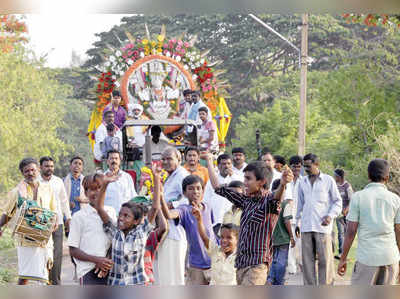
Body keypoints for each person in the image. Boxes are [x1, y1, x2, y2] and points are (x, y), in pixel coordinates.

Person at [203, 152, 293, 285]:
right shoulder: (246, 200)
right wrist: (209, 162)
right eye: (244, 178)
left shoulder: (268, 201)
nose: (244, 182)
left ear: (261, 182)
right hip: (241, 263)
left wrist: (283, 184)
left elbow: (277, 199)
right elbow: (217, 188)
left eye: (248, 179)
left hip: (257, 264)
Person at [95, 165, 162, 285]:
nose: (121, 218)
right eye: (120, 214)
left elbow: (155, 207)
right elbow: (99, 208)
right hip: (116, 283)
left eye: (126, 216)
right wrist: (105, 184)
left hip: (137, 283)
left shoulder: (141, 232)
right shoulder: (114, 231)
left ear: (136, 221)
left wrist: (156, 178)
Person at [337, 159, 400, 285]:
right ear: (387, 177)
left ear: (368, 175)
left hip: (367, 259)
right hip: (390, 257)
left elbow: (351, 232)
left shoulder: (358, 197)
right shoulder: (395, 199)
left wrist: (343, 259)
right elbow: (399, 232)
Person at [0, 158, 58, 285]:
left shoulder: (48, 188)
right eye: (27, 171)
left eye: (33, 170)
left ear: (38, 170)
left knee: (46, 268)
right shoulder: (17, 192)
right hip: (26, 239)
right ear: (22, 173)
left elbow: (54, 211)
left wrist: (54, 223)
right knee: (25, 274)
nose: (30, 173)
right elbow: (8, 213)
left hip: (44, 238)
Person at [295, 153, 342, 285]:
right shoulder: (302, 182)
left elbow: (338, 202)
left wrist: (330, 216)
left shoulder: (328, 180)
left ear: (317, 164)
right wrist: (297, 223)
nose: (306, 169)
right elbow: (299, 205)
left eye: (309, 166)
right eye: (304, 166)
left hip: (323, 227)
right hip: (306, 227)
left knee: (325, 261)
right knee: (307, 263)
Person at [160, 175, 216, 285]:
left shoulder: (208, 207)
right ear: (184, 193)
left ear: (203, 191)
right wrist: (161, 197)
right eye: (191, 188)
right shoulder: (184, 210)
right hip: (196, 265)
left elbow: (212, 231)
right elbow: (169, 215)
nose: (195, 192)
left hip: (215, 261)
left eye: (198, 188)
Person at [67, 174, 117, 285]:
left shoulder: (111, 212)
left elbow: (115, 240)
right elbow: (73, 250)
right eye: (92, 189)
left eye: (100, 188)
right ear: (86, 193)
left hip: (109, 269)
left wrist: (106, 261)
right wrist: (97, 260)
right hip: (87, 271)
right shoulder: (79, 216)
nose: (97, 192)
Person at [155, 147, 189, 285]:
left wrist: (171, 205)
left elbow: (189, 200)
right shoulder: (170, 176)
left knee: (174, 276)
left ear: (179, 159)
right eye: (163, 159)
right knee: (165, 275)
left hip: (175, 232)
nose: (165, 162)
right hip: (166, 232)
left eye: (169, 158)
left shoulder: (182, 175)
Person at [39, 156, 71, 285]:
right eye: (46, 166)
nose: (49, 168)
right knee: (42, 253)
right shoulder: (36, 181)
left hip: (58, 224)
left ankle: (56, 282)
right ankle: (44, 281)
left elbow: (64, 201)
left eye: (51, 166)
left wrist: (68, 217)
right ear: (41, 167)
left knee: (57, 254)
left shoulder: (58, 181)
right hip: (41, 224)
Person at [193, 208, 239, 285]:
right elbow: (204, 238)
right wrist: (199, 220)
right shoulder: (215, 250)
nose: (224, 240)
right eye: (222, 237)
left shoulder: (240, 257)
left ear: (237, 240)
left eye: (229, 237)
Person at [203, 153, 243, 235]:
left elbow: (243, 192)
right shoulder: (212, 181)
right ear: (218, 166)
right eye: (224, 164)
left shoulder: (238, 178)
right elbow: (206, 200)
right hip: (217, 220)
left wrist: (232, 175)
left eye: (229, 163)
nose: (226, 166)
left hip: (234, 221)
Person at [267, 179, 295, 285]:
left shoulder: (268, 202)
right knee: (281, 262)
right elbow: (287, 220)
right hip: (283, 238)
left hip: (270, 238)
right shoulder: (285, 204)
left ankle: (270, 279)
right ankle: (279, 282)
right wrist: (292, 237)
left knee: (271, 260)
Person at [103, 150, 137, 214]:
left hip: (125, 215)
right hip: (108, 215)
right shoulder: (102, 178)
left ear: (120, 161)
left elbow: (133, 196)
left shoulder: (127, 177)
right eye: (111, 158)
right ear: (107, 161)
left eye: (116, 158)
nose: (114, 161)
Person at [286, 155, 303, 274]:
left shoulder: (304, 181)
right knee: (289, 244)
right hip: (287, 218)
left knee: (300, 244)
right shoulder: (286, 181)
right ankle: (292, 269)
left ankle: (301, 265)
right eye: (294, 166)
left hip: (301, 218)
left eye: (298, 166)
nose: (296, 169)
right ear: (290, 167)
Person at [333, 168, 354, 259]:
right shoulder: (335, 185)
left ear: (339, 176)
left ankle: (345, 253)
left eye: (335, 176)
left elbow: (352, 200)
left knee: (346, 232)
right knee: (340, 232)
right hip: (338, 213)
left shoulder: (347, 186)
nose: (334, 177)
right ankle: (341, 253)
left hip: (347, 214)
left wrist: (346, 209)